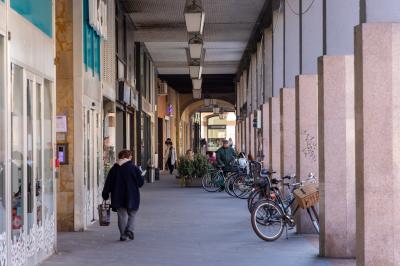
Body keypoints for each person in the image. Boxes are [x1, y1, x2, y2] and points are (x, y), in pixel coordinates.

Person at [102, 150, 144, 241]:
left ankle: (123, 235)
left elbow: (108, 183)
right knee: (132, 213)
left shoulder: (114, 169)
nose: (132, 157)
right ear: (128, 157)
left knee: (121, 215)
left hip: (118, 196)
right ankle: (129, 229)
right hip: (132, 195)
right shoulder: (134, 168)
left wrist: (105, 194)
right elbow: (140, 183)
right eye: (131, 156)